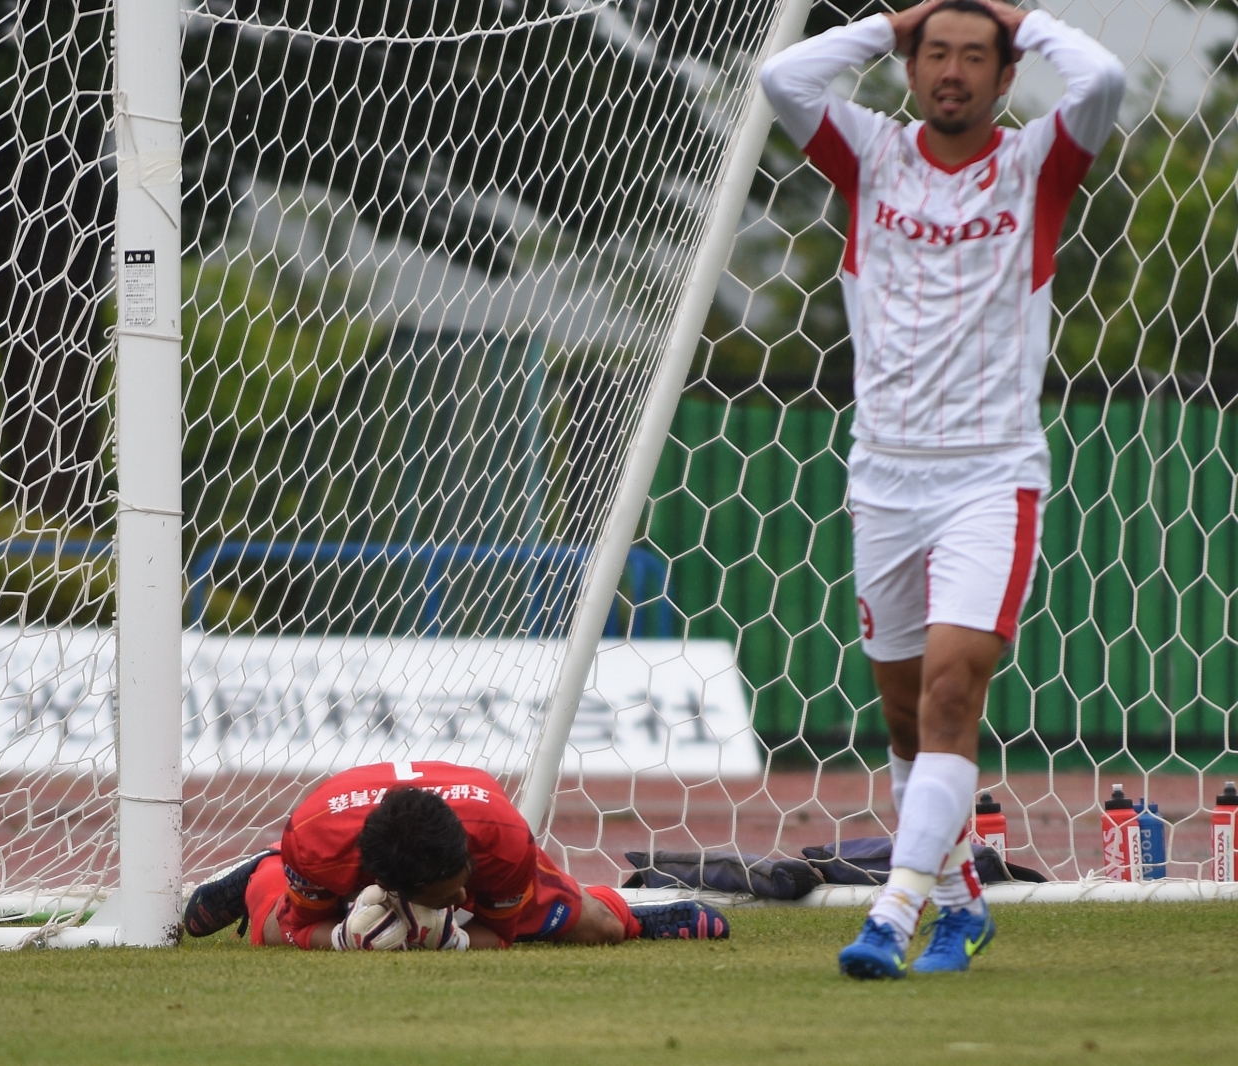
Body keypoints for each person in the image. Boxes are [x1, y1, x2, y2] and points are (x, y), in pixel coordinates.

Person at [759, 0, 1122, 977]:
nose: (952, 71)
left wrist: (1022, 18)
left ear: (1005, 78)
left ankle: (893, 913)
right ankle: (962, 905)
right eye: (936, 55)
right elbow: (781, 79)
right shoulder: (868, 152)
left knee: (954, 692)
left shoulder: (1038, 162)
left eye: (973, 57)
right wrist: (892, 21)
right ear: (911, 69)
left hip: (991, 476)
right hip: (883, 476)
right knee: (905, 718)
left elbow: (1103, 79)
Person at [182, 760, 728, 949]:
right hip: (328, 843)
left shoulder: (502, 840)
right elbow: (302, 930)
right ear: (393, 887)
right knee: (275, 931)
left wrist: (450, 939)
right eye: (449, 899)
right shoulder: (316, 843)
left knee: (598, 928)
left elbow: (501, 933)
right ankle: (262, 868)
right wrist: (347, 939)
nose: (464, 897)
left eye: (461, 885)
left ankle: (636, 914)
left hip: (481, 831)